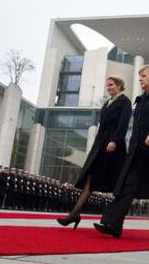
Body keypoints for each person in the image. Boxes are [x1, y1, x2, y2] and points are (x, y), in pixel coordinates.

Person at [94, 65, 149, 240]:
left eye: (143, 76)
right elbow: (136, 128)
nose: (140, 79)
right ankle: (113, 225)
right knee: (127, 186)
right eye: (140, 76)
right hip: (138, 152)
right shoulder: (140, 100)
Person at [57, 76, 132, 229]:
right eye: (107, 85)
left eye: (111, 85)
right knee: (91, 177)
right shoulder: (106, 104)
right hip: (100, 146)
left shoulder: (124, 102)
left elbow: (123, 124)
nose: (108, 87)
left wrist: (115, 141)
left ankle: (113, 222)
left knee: (118, 183)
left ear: (119, 85)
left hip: (114, 147)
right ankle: (74, 214)